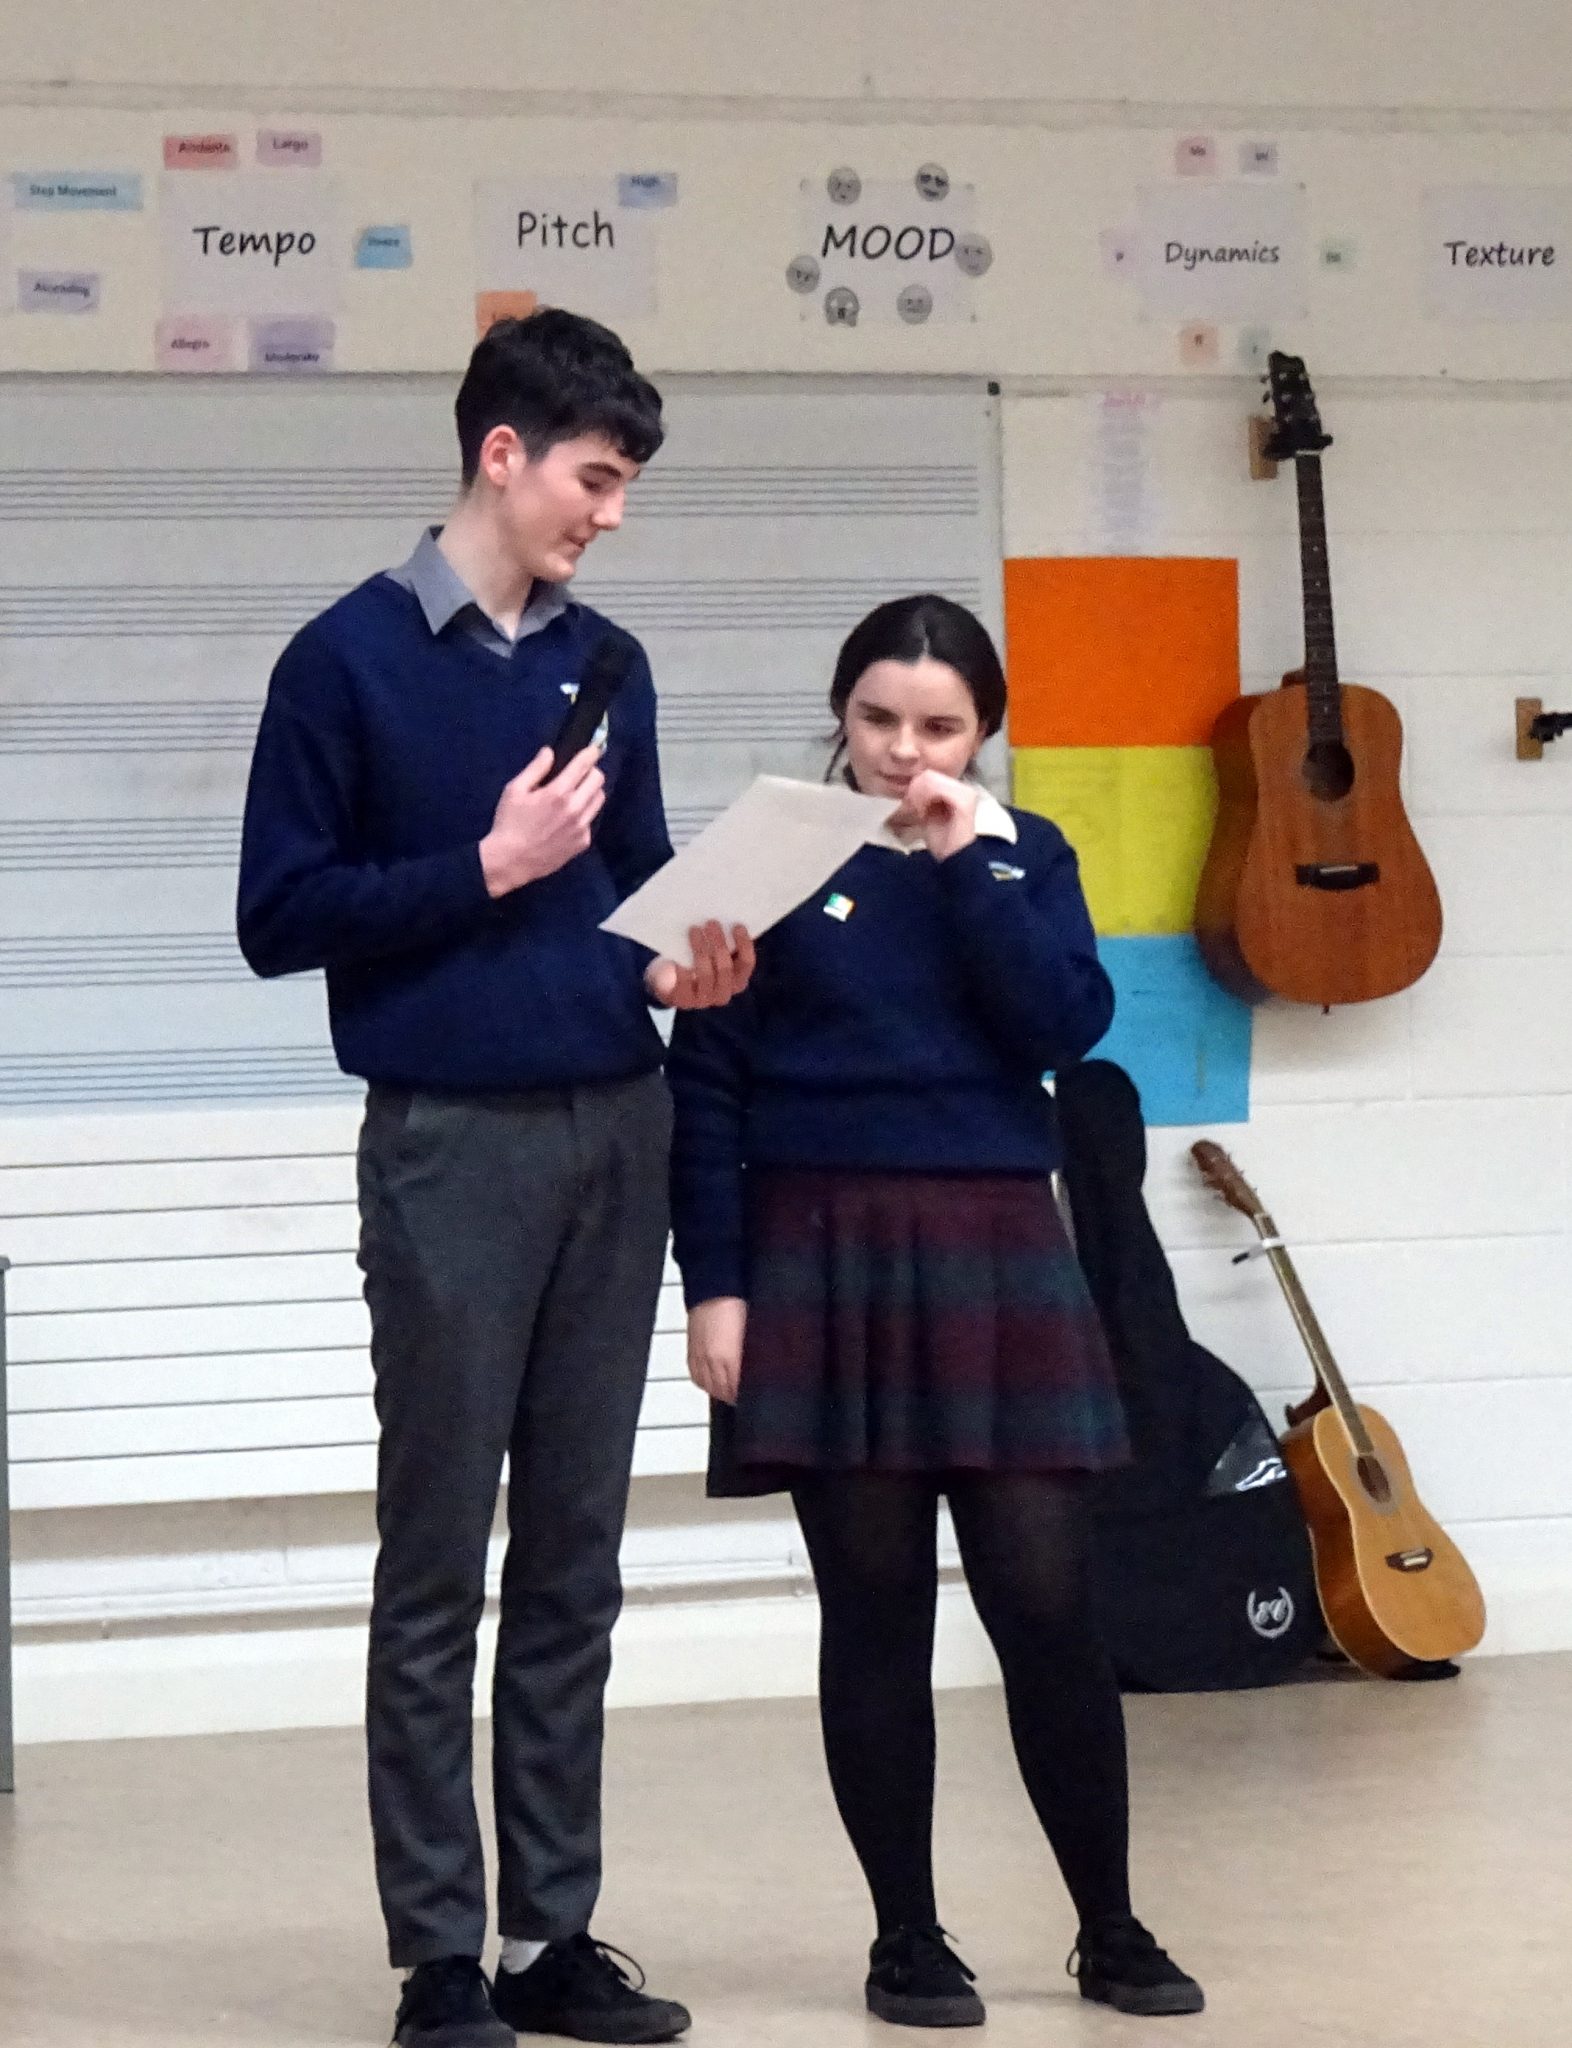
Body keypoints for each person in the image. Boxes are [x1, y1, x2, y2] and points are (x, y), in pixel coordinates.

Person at [238, 311, 752, 2048]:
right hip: (451, 1144)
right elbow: (277, 918)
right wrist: (484, 865)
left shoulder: (612, 662)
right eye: (595, 479)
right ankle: (439, 1957)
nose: (612, 515)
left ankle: (554, 1935)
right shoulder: (344, 663)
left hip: (621, 1126)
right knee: (438, 1558)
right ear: (503, 453)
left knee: (578, 1557)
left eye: (627, 486)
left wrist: (686, 959)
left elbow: (638, 884)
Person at [667, 595, 1204, 2025]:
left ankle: (1111, 1926)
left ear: (986, 732)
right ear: (839, 714)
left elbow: (1058, 1026)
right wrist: (716, 1286)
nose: (906, 752)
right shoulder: (766, 857)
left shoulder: (1028, 854)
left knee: (1049, 1604)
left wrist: (970, 864)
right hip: (818, 1246)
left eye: (941, 726)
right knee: (875, 1612)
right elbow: (705, 1085)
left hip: (996, 1243)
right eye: (878, 720)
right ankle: (906, 1936)